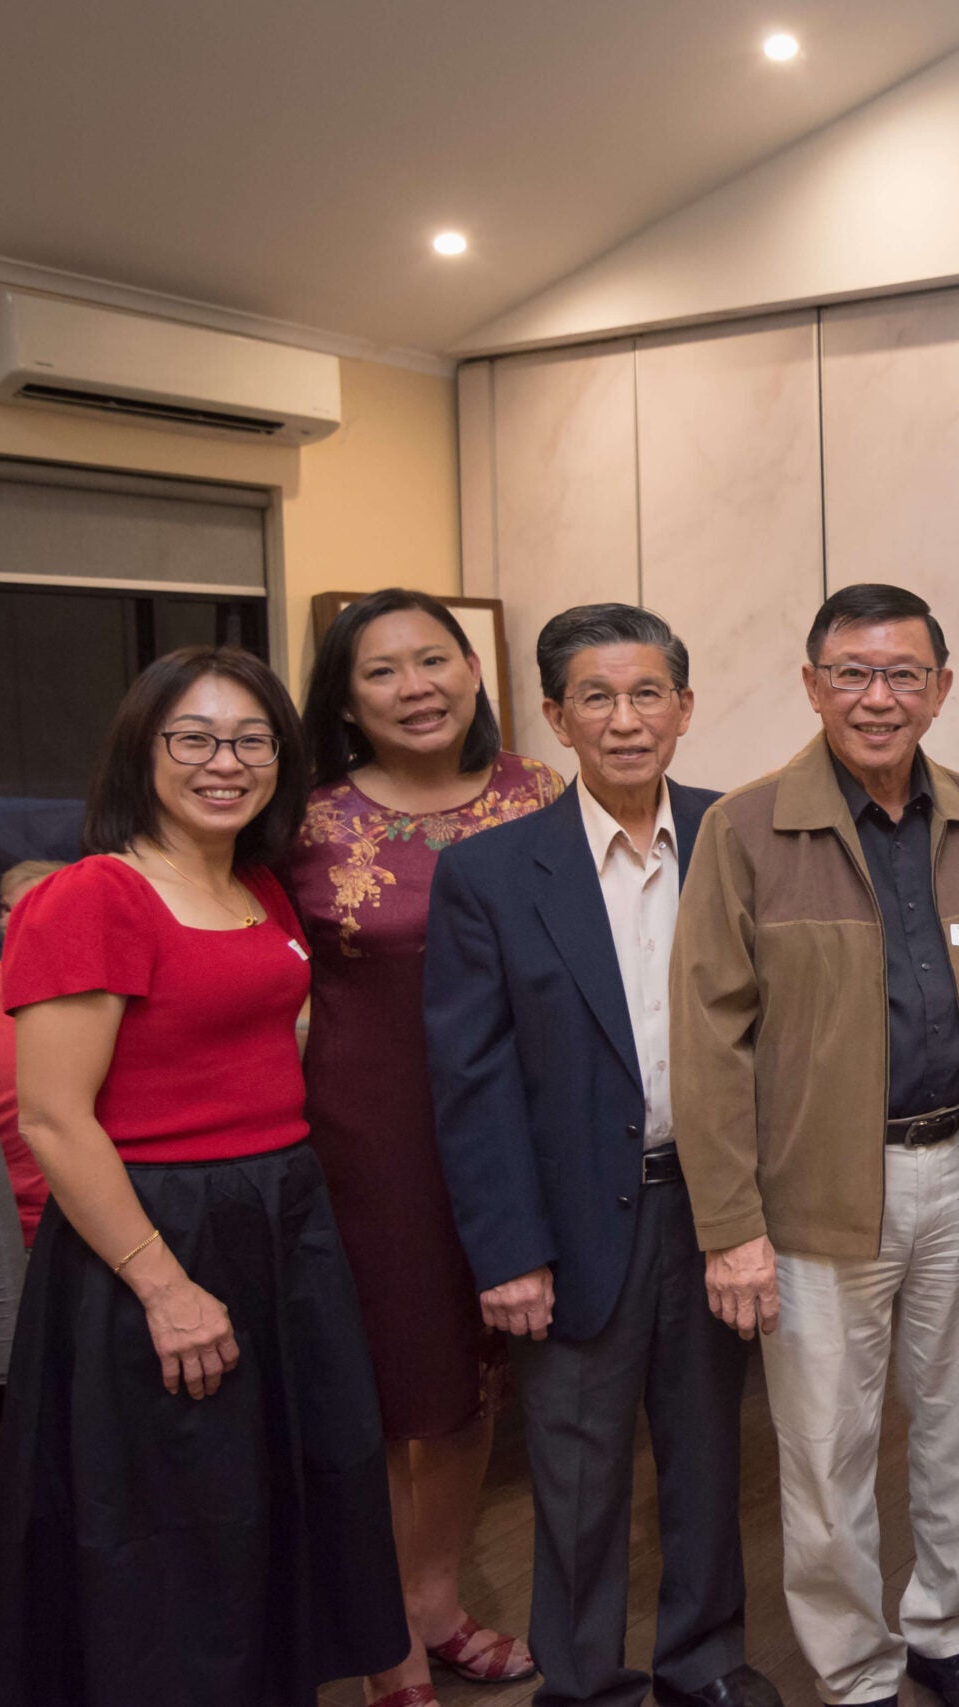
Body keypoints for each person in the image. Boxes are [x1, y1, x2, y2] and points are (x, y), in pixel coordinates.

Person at [0, 647, 407, 1705]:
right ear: (143, 750)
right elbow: (53, 1117)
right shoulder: (93, 896)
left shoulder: (256, 883)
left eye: (253, 739)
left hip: (279, 1217)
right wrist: (163, 1286)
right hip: (157, 1229)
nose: (228, 761)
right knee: (176, 1530)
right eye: (196, 738)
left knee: (275, 1508)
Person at [671, 584, 959, 1707]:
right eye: (853, 674)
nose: (878, 699)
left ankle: (952, 1628)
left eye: (903, 675)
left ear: (942, 687)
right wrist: (730, 1229)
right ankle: (856, 1665)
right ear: (813, 683)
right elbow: (707, 1042)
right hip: (818, 1192)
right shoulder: (743, 829)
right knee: (825, 1451)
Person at [424, 604, 781, 1707]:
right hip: (569, 1222)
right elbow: (471, 1083)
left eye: (646, 696)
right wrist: (506, 1252)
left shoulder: (740, 836)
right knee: (575, 1480)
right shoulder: (489, 873)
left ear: (682, 706)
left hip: (713, 1210)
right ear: (554, 716)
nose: (625, 721)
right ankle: (580, 1683)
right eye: (596, 697)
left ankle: (705, 1663)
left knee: (708, 1463)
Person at [288, 589, 560, 1699]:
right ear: (345, 701)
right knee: (377, 1388)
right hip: (367, 1141)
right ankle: (381, 1635)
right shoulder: (300, 819)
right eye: (384, 671)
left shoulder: (538, 794)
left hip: (513, 1132)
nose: (419, 687)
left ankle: (436, 1603)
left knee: (469, 1383)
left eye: (437, 660)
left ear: (473, 672)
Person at [0, 860, 62, 1245]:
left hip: (53, 1214)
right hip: (20, 1220)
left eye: (38, 908)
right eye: (11, 909)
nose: (21, 921)